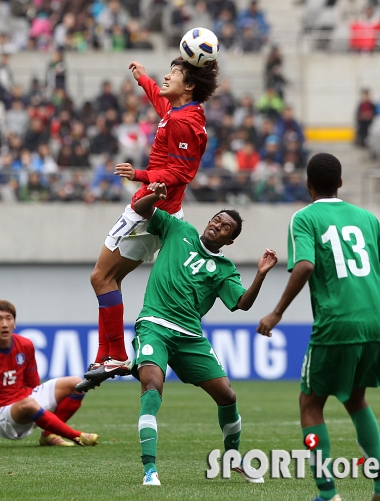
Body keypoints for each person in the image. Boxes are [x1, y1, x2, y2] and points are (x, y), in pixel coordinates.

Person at [85, 182, 277, 485]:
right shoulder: (177, 228)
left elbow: (241, 304)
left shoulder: (224, 268)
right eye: (217, 219)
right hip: (155, 325)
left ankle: (233, 459)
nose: (218, 225)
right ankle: (150, 469)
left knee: (227, 395)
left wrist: (261, 276)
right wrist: (155, 196)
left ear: (230, 238)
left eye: (226, 226)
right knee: (152, 386)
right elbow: (142, 210)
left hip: (190, 336)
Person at [257, 153, 380, 501]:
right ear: (340, 183)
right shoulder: (366, 217)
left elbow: (305, 265)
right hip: (374, 323)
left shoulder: (305, 217)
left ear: (307, 184)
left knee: (310, 404)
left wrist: (277, 312)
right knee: (356, 399)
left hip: (336, 322)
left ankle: (327, 493)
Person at [77, 57, 220, 391]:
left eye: (175, 73)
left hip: (149, 210)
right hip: (153, 207)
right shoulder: (179, 112)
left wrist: (141, 175)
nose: (166, 76)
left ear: (188, 86)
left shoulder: (185, 122)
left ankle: (113, 355)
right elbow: (161, 101)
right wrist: (144, 79)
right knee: (108, 278)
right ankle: (106, 356)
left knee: (102, 276)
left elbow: (182, 174)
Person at [0, 300, 99, 448]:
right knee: (29, 403)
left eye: (8, 318)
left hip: (26, 402)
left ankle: (48, 435)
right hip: (2, 417)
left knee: (77, 384)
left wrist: (40, 409)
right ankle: (77, 437)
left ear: (14, 323)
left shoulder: (25, 345)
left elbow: (33, 385)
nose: (4, 324)